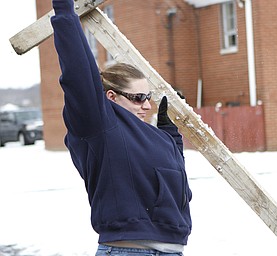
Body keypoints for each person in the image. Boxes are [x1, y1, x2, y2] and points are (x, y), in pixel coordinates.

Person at [50, 0, 192, 255]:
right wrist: (64, 12)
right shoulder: (100, 126)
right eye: (137, 98)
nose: (146, 105)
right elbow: (78, 73)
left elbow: (176, 191)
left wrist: (172, 136)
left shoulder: (156, 137)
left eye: (148, 97)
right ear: (112, 97)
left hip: (173, 250)